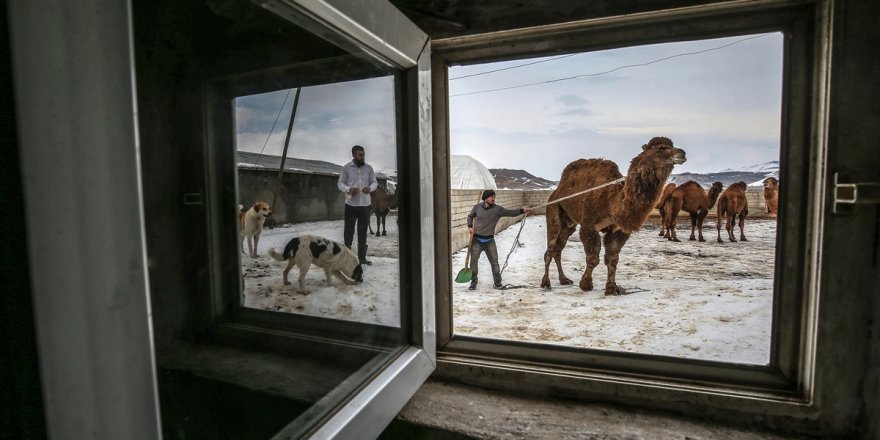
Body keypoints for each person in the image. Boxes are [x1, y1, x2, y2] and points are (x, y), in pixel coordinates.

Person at [467, 190, 534, 290]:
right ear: (485, 198)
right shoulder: (476, 208)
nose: (493, 198)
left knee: (495, 263)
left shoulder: (498, 209)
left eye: (494, 196)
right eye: (491, 197)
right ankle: (473, 282)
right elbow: (470, 216)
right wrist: (470, 226)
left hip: (489, 241)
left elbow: (510, 212)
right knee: (473, 263)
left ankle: (498, 283)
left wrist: (522, 211)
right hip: (477, 240)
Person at [337, 145, 378, 266]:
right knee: (348, 232)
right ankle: (347, 259)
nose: (363, 157)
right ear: (353, 155)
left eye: (363, 154)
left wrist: (370, 188)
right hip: (351, 205)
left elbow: (374, 182)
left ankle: (362, 259)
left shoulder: (369, 168)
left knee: (363, 232)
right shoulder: (346, 168)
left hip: (365, 205)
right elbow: (340, 183)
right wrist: (348, 189)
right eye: (360, 155)